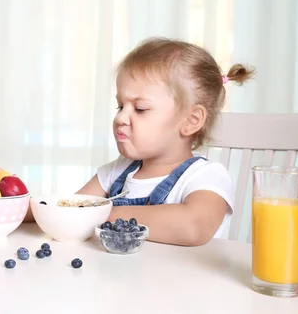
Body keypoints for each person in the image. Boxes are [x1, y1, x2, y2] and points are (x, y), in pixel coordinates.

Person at [77, 37, 255, 246]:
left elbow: (192, 226)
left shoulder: (205, 176)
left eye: (140, 109)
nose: (120, 118)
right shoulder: (117, 172)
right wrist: (30, 206)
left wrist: (100, 214)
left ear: (191, 120)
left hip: (182, 278)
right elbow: (69, 210)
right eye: (120, 106)